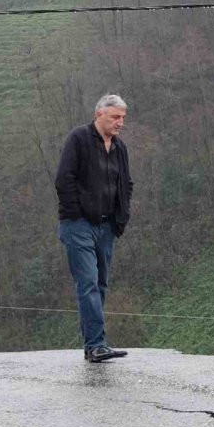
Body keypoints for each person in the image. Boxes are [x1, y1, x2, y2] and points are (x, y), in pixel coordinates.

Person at [55, 94, 134, 363]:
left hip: (106, 226)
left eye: (122, 117)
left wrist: (120, 220)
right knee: (87, 282)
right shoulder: (78, 139)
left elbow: (126, 184)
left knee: (100, 284)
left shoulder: (120, 148)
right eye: (115, 116)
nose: (120, 122)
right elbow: (63, 179)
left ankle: (93, 347)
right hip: (79, 225)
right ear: (98, 114)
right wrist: (78, 214)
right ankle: (97, 344)